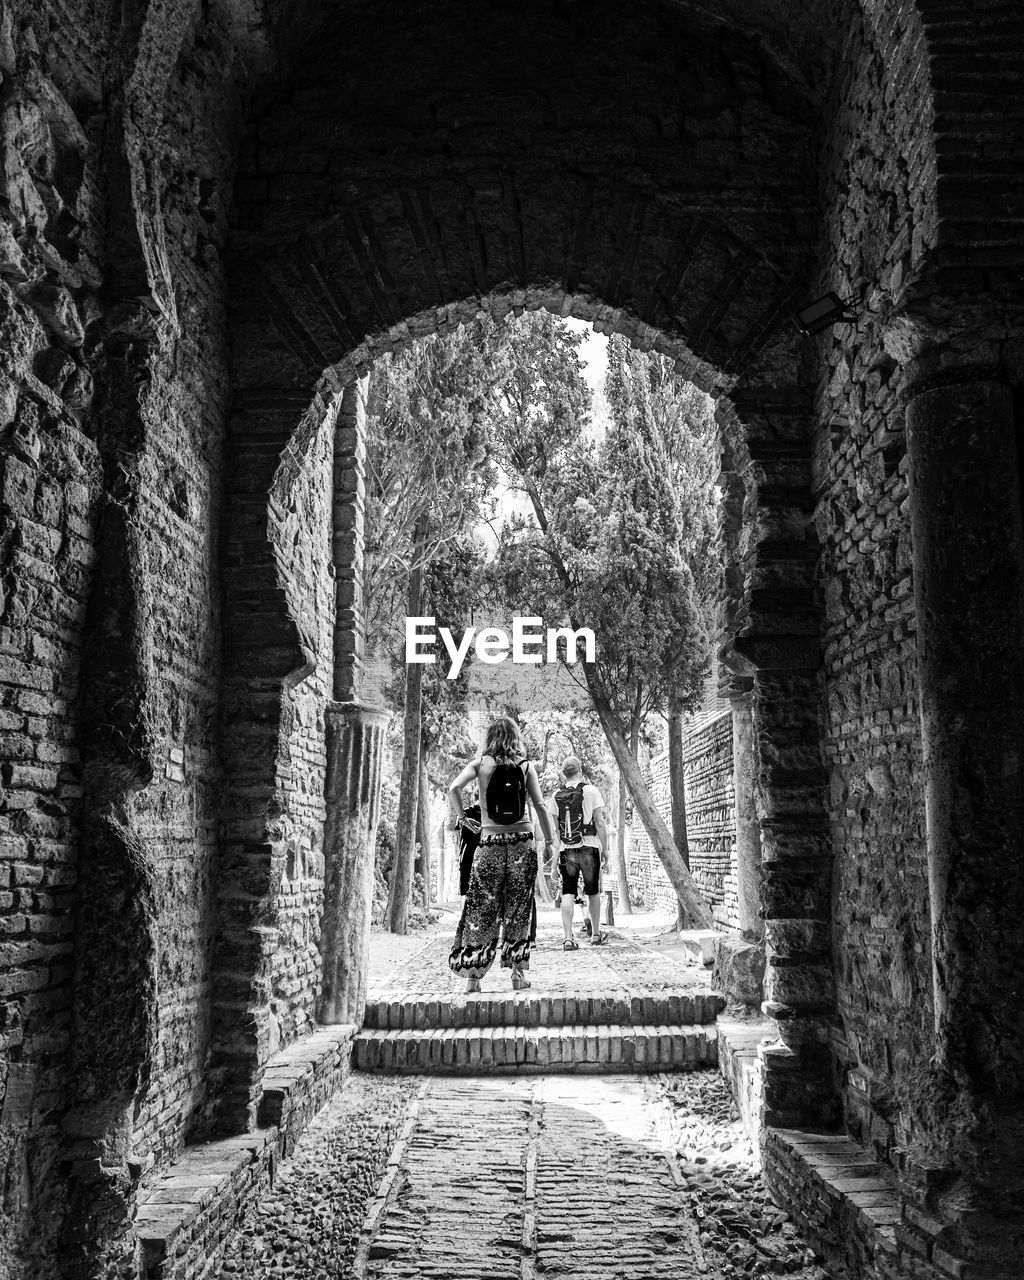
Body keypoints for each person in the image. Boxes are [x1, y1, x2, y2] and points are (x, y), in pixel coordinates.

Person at [448, 718, 555, 993]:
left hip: (489, 844)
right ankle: (518, 976)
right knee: (519, 909)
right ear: (515, 738)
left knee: (481, 908)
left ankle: (474, 978)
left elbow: (453, 789)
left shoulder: (479, 765)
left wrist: (463, 818)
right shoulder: (525, 767)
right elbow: (540, 806)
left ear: (489, 739)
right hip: (522, 843)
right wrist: (551, 841)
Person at [549, 756, 609, 950]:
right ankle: (596, 935)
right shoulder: (591, 791)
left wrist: (557, 855)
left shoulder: (556, 795)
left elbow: (556, 831)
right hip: (589, 847)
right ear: (580, 770)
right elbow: (599, 822)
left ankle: (567, 938)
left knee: (567, 891)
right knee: (592, 892)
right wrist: (605, 848)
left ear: (564, 774)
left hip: (568, 849)